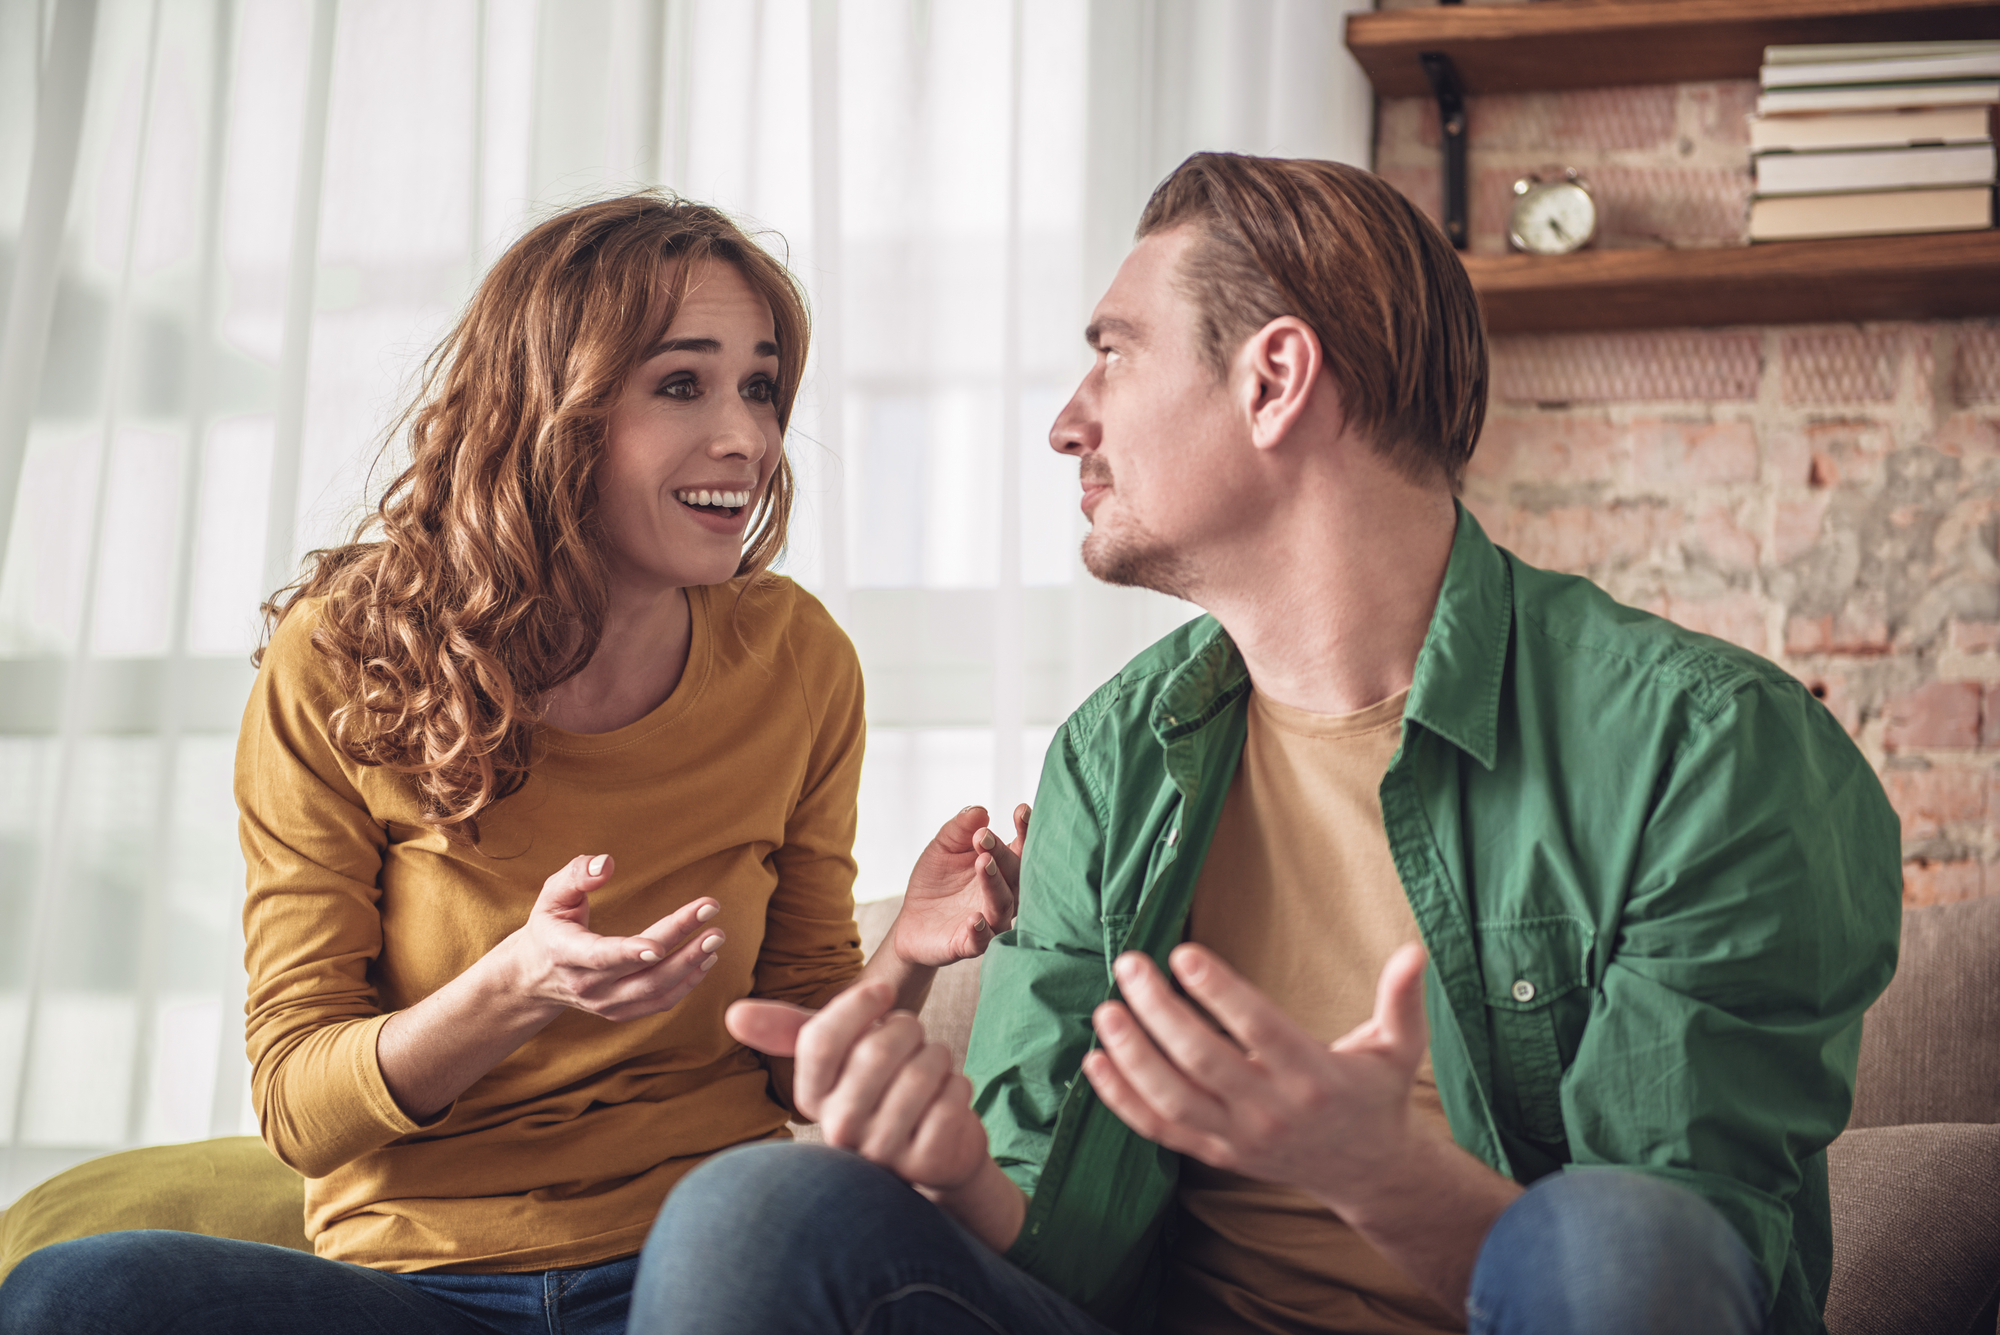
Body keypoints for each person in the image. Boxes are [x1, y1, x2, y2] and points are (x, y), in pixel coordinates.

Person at [636, 154, 1903, 1335]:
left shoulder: (1706, 749)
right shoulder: (1113, 758)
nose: (1067, 423)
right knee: (754, 1210)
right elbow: (1060, 1254)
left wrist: (1374, 1170)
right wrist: (958, 1174)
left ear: (1274, 379)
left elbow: (1674, 1278)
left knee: (1620, 1232)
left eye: (1115, 357)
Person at [0, 194, 1025, 1335]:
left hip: (694, 1273)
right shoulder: (342, 655)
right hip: (423, 1291)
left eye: (760, 386)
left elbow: (796, 1051)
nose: (744, 434)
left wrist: (909, 958)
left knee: (758, 1215)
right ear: (553, 408)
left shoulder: (795, 659)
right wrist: (516, 988)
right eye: (681, 384)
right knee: (72, 1295)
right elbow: (299, 1103)